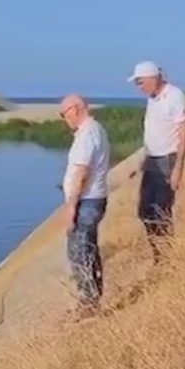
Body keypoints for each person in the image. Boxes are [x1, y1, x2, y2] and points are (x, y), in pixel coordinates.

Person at [127, 61, 185, 262]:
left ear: (153, 78)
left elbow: (184, 131)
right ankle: (158, 252)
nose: (140, 87)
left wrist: (178, 166)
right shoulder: (152, 99)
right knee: (145, 210)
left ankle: (166, 256)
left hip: (168, 160)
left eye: (141, 82)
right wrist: (141, 162)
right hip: (152, 160)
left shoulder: (175, 96)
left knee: (162, 209)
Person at [59, 94, 111, 317]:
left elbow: (82, 172)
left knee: (80, 251)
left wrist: (71, 208)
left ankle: (89, 303)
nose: (64, 119)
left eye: (64, 113)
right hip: (91, 199)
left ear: (75, 109)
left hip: (87, 201)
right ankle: (90, 299)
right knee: (86, 249)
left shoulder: (88, 133)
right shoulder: (92, 130)